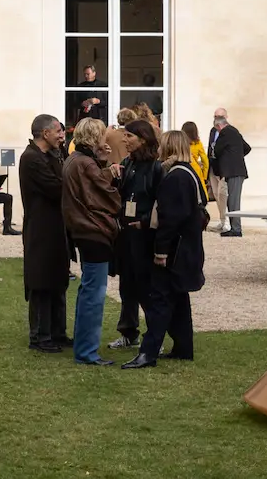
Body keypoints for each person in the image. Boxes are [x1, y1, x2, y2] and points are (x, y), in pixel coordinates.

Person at [122, 128, 206, 368]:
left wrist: (160, 252)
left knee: (160, 299)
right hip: (184, 248)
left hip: (175, 250)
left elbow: (170, 218)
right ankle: (183, 347)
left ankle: (148, 353)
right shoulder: (187, 172)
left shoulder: (176, 176)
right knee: (178, 298)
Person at [61, 118, 119, 366]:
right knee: (94, 294)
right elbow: (103, 193)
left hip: (83, 231)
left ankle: (84, 346)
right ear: (95, 137)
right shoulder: (84, 163)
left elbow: (92, 184)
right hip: (93, 231)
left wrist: (103, 163)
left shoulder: (74, 160)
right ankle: (87, 351)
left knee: (88, 291)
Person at [20, 112, 71, 354]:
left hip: (56, 225)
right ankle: (40, 336)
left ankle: (57, 332)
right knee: (41, 279)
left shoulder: (53, 155)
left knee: (58, 277)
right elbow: (56, 187)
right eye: (59, 131)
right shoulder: (31, 158)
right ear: (45, 133)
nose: (62, 135)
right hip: (40, 227)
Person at [108, 119, 157, 351]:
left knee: (145, 287)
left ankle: (154, 337)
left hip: (144, 235)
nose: (124, 140)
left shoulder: (156, 168)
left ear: (143, 139)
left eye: (129, 136)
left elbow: (162, 203)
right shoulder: (128, 163)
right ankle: (128, 332)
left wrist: (146, 221)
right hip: (126, 233)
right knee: (126, 286)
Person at [208, 108, 251, 236]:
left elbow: (216, 151)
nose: (218, 131)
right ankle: (235, 228)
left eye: (218, 128)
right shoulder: (234, 131)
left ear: (220, 124)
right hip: (236, 170)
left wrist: (232, 158)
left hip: (233, 171)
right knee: (232, 199)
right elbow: (246, 148)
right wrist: (236, 155)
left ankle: (236, 229)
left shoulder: (225, 132)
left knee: (233, 201)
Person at [182, 121, 210, 192]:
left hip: (183, 169)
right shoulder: (198, 143)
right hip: (196, 170)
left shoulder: (181, 143)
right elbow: (205, 161)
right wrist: (204, 176)